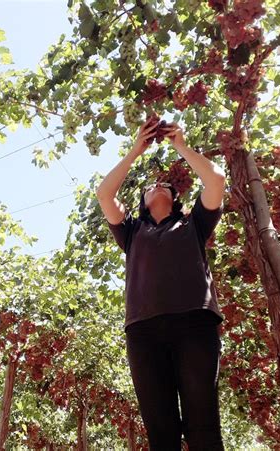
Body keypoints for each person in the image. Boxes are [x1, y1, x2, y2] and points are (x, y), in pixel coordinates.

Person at [96, 117, 226, 451]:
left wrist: (180, 146)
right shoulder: (131, 231)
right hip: (143, 331)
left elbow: (215, 179)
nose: (156, 185)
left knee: (203, 426)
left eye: (164, 184)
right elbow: (104, 193)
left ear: (174, 196)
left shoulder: (194, 223)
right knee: (160, 430)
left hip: (195, 323)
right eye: (149, 186)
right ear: (140, 201)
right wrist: (136, 150)